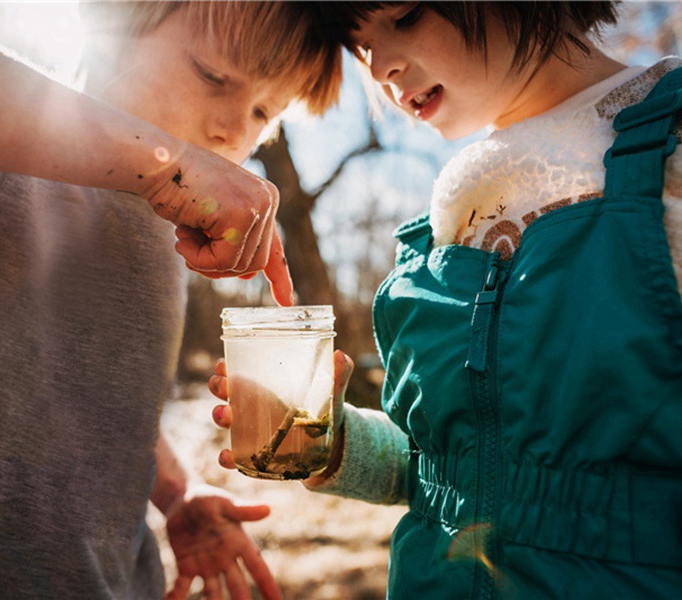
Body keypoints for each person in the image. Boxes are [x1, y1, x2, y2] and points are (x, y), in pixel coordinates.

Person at [211, 2, 682, 598]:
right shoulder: (445, 215)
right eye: (361, 48)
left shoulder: (671, 144)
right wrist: (325, 438)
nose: (381, 66)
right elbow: (447, 472)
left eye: (404, 15)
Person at [0, 1, 343, 598]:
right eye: (210, 74)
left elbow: (95, 399)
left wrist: (176, 494)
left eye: (262, 111)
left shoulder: (166, 237)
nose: (233, 127)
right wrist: (161, 165)